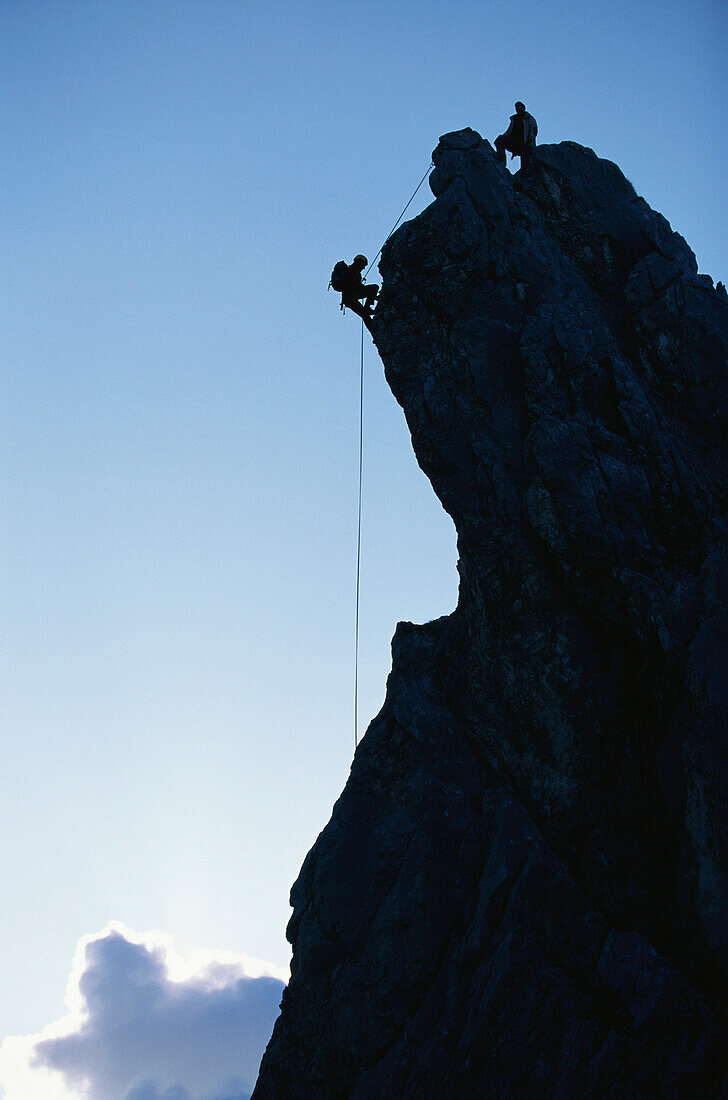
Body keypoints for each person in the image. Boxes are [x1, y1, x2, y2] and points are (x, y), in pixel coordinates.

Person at [495, 102, 538, 171]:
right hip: (514, 142)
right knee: (499, 140)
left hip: (525, 143)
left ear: (523, 108)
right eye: (516, 107)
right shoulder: (514, 119)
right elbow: (509, 131)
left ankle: (524, 173)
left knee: (525, 158)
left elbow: (533, 130)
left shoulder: (529, 119)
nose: (517, 109)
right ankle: (502, 161)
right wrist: (504, 136)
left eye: (519, 107)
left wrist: (530, 138)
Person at [340, 255, 378, 330]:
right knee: (374, 288)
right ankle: (367, 308)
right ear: (360, 263)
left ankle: (374, 332)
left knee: (365, 315)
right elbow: (356, 285)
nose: (363, 268)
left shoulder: (351, 270)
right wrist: (374, 297)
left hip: (348, 299)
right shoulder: (353, 270)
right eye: (363, 265)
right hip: (351, 296)